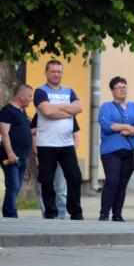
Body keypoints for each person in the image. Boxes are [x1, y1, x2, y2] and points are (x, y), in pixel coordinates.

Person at [34, 59, 84, 220]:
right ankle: (51, 213)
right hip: (46, 145)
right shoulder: (40, 91)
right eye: (53, 71)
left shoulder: (70, 91)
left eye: (58, 71)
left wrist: (57, 107)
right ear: (46, 72)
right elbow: (47, 112)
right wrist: (69, 111)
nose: (56, 74)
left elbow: (79, 107)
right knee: (47, 181)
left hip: (66, 144)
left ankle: (75, 213)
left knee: (75, 178)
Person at [98, 76, 134, 222]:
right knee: (112, 181)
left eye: (124, 87)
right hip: (111, 151)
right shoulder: (106, 107)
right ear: (112, 91)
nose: (122, 89)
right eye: (118, 87)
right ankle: (104, 214)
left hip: (130, 151)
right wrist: (126, 126)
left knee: (122, 183)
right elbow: (106, 125)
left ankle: (117, 215)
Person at [31, 114, 80, 219]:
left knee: (61, 189)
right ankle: (48, 214)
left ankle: (61, 216)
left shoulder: (68, 114)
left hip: (64, 155)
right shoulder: (42, 112)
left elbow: (76, 135)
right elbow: (33, 133)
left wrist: (70, 155)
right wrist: (36, 149)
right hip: (46, 153)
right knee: (46, 183)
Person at [0, 84, 34, 218]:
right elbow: (5, 134)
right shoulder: (7, 111)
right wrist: (10, 153)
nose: (31, 99)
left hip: (22, 157)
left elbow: (24, 132)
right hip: (11, 158)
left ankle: (8, 214)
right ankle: (11, 215)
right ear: (21, 96)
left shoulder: (21, 112)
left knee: (16, 188)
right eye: (30, 96)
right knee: (12, 186)